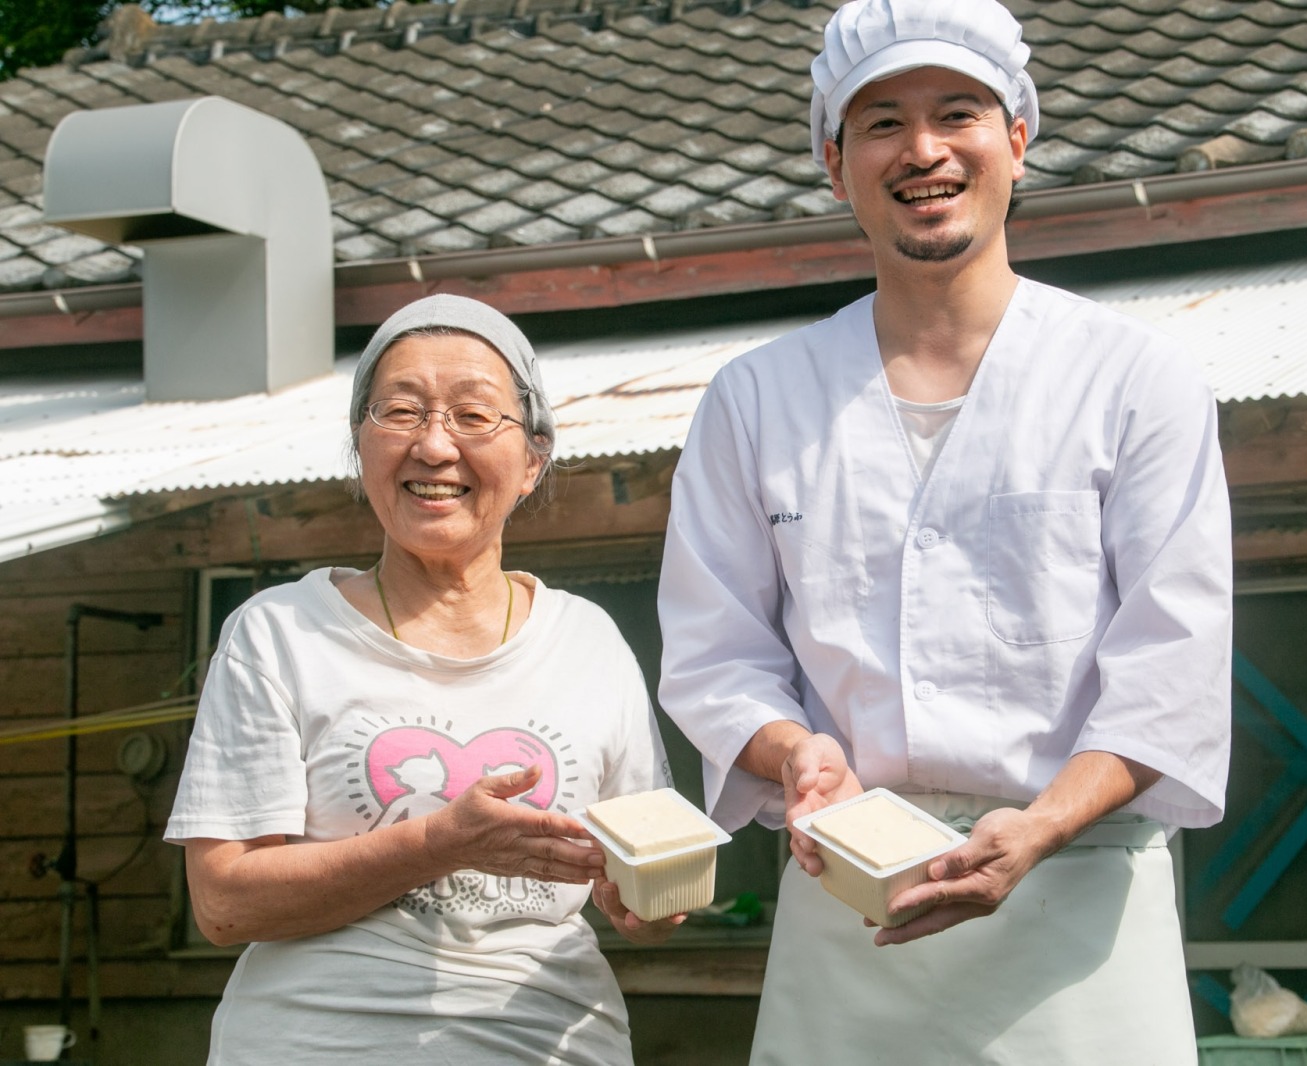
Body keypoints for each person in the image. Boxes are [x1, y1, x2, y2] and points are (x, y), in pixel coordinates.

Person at [657, 0, 1232, 1061]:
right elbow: (713, 653)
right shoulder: (755, 398)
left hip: (1078, 900)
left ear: (1017, 137)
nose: (923, 150)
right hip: (847, 895)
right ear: (835, 166)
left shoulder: (1133, 378)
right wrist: (796, 752)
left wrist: (1046, 822)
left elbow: (1173, 663)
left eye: (957, 112)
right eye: (881, 122)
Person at [165, 294, 679, 1064]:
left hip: (544, 1040)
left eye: (474, 416)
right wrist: (438, 842)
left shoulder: (588, 641)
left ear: (533, 460)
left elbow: (648, 865)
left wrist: (645, 899)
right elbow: (223, 901)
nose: (434, 447)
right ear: (359, 444)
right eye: (401, 411)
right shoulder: (279, 632)